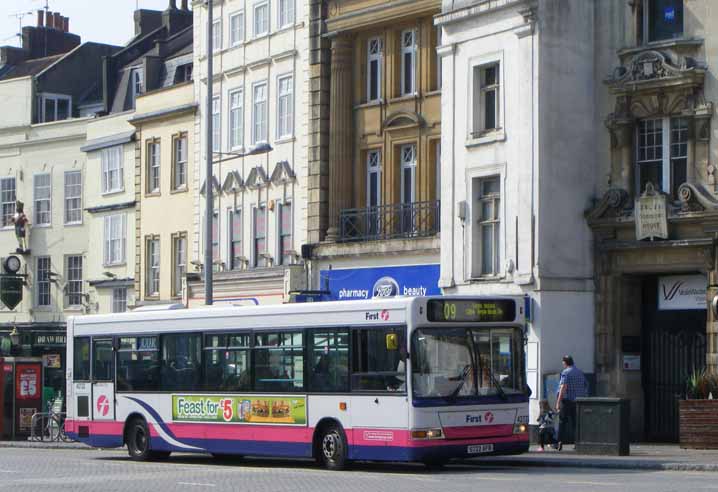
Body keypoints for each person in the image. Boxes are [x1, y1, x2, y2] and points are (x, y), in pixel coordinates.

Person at [555, 355, 588, 451]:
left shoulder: (565, 373)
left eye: (563, 362)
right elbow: (586, 385)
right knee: (576, 423)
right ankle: (578, 443)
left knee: (562, 422)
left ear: (565, 362)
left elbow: (563, 387)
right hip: (578, 402)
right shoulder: (580, 372)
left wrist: (558, 402)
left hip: (567, 401)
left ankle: (559, 442)